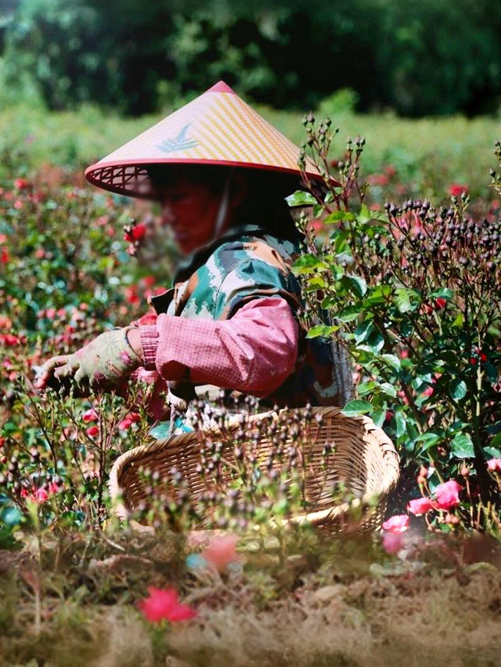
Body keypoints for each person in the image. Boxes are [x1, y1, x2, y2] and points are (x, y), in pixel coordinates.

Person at [35, 81, 353, 419]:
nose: (164, 214)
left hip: (279, 464)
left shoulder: (250, 262)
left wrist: (139, 344)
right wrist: (108, 365)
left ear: (238, 189)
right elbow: (206, 375)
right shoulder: (260, 250)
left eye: (177, 197)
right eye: (160, 200)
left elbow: (266, 350)